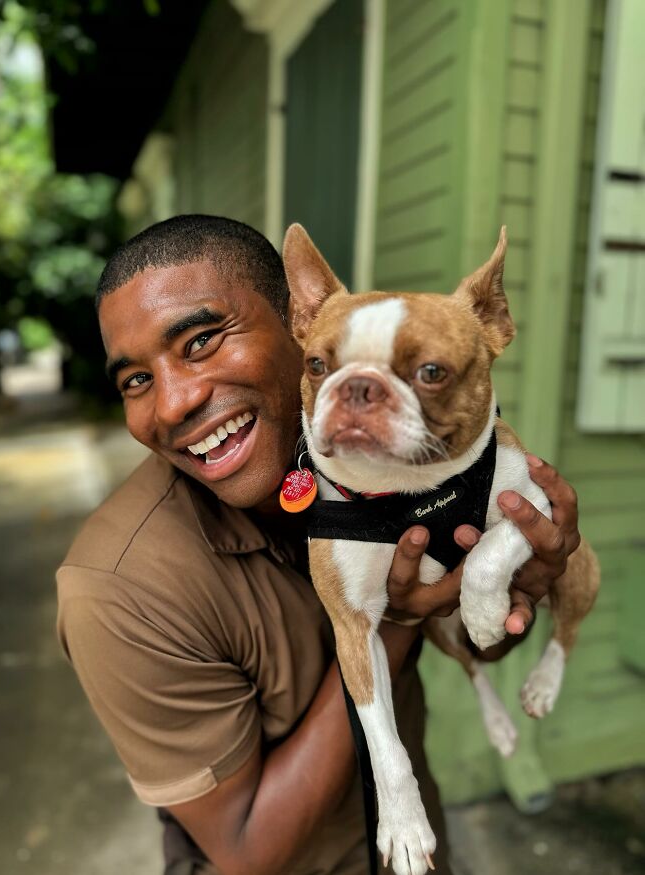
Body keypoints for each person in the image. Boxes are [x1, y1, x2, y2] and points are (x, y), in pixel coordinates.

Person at [57, 215, 581, 875]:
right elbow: (249, 847)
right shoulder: (118, 588)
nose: (171, 405)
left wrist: (518, 579)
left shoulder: (419, 465)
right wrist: (393, 618)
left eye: (200, 341)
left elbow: (484, 637)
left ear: (294, 319)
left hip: (417, 846)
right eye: (135, 380)